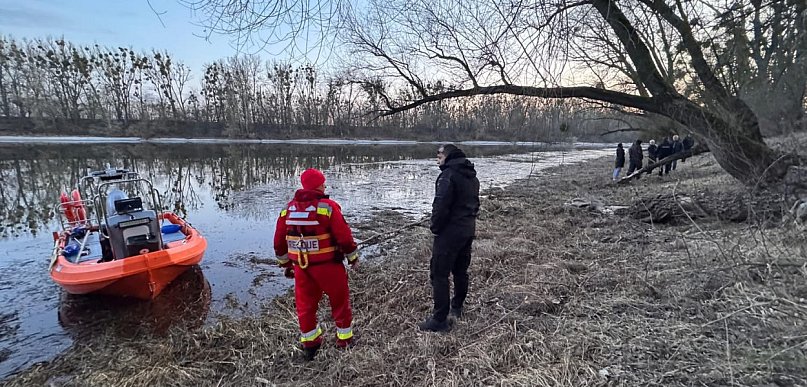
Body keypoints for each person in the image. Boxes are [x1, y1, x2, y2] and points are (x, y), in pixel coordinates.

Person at [274, 168, 360, 360]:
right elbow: (344, 237)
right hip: (329, 265)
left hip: (302, 268)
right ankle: (344, 341)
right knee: (340, 302)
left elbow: (279, 241)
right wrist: (353, 257)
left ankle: (310, 346)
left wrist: (286, 264)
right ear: (318, 185)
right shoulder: (328, 207)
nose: (325, 185)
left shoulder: (287, 209)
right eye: (323, 182)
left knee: (305, 307)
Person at [419, 144, 480, 332]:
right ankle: (457, 307)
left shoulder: (448, 176)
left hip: (449, 233)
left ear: (449, 156)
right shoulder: (471, 176)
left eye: (440, 154)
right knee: (461, 271)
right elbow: (474, 203)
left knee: (439, 274)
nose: (437, 157)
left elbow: (440, 206)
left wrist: (435, 228)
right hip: (467, 229)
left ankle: (439, 320)